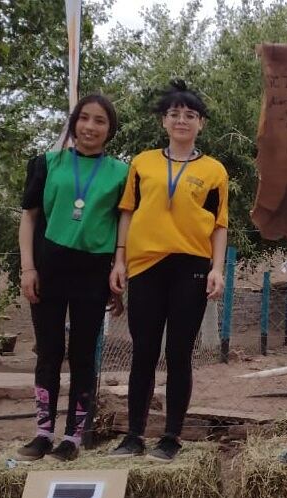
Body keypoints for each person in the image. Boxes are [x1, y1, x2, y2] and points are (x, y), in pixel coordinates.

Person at [109, 80, 228, 462]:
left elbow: (220, 225)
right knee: (143, 351)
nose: (182, 120)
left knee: (179, 353)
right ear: (164, 121)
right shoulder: (142, 162)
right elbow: (127, 211)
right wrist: (119, 260)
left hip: (191, 265)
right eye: (174, 114)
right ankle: (133, 435)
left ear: (200, 125)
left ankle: (172, 436)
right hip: (146, 264)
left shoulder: (214, 171)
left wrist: (218, 268)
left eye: (190, 115)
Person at [15, 94, 128, 462]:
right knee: (48, 352)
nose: (90, 127)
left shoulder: (122, 174)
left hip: (92, 273)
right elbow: (30, 218)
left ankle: (74, 437)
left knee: (82, 355)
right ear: (73, 122)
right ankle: (43, 433)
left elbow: (125, 224)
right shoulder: (47, 163)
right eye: (84, 119)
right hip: (49, 268)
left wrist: (117, 267)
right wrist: (28, 268)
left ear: (110, 131)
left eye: (100, 121)